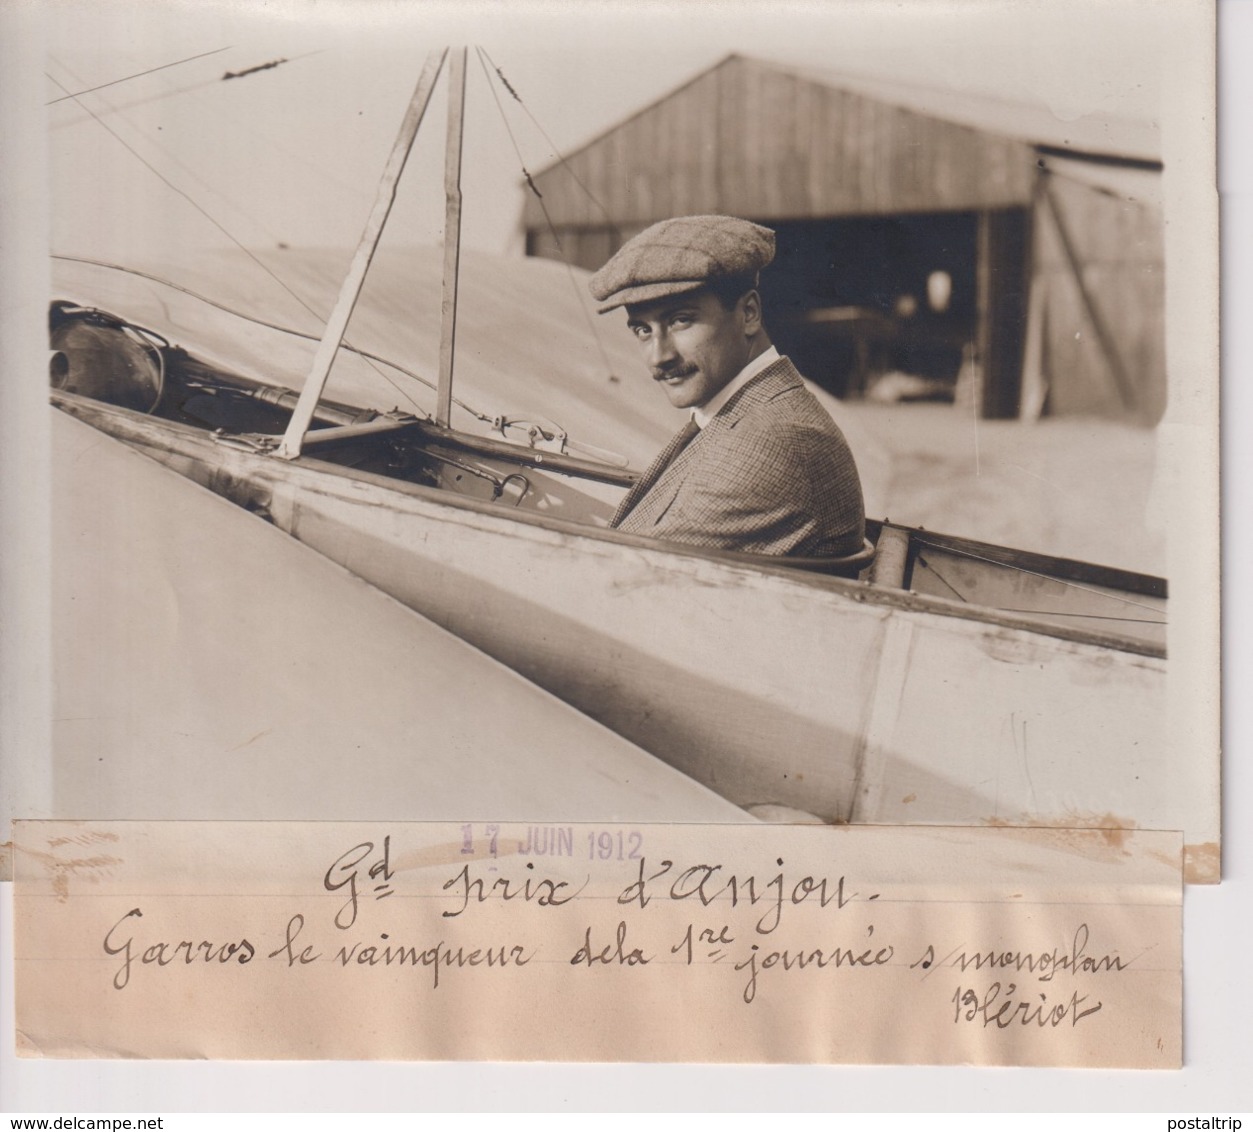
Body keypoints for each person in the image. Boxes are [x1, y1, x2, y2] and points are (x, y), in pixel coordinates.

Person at [589, 214, 865, 558]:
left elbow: (624, 577)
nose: (659, 356)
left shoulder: (770, 441)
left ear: (749, 313)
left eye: (680, 320)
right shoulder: (742, 414)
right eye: (643, 330)